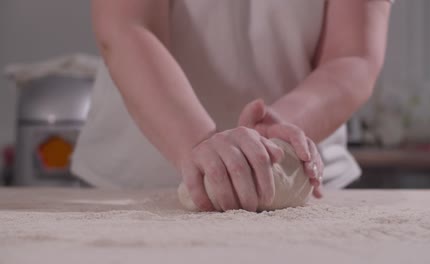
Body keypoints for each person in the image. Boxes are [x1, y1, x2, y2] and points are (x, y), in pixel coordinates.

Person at [72, 0, 393, 212]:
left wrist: (278, 130)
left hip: (298, 184)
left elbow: (352, 56)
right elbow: (129, 26)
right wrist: (201, 147)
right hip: (135, 184)